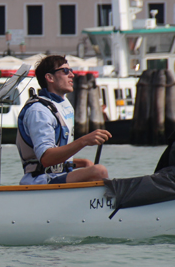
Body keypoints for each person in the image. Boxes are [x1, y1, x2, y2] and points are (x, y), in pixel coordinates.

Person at [17, 55, 111, 185]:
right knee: (99, 171)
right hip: (40, 181)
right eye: (65, 71)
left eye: (71, 70)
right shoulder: (39, 111)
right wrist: (84, 141)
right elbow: (46, 159)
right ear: (50, 78)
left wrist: (80, 163)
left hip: (56, 177)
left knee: (88, 164)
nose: (72, 75)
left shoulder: (64, 105)